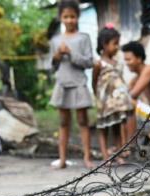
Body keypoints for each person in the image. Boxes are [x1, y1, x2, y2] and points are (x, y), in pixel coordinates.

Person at [49, 0, 94, 169]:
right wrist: (57, 57)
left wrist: (70, 53)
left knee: (83, 121)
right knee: (63, 122)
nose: (69, 20)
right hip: (62, 83)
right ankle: (62, 159)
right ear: (61, 18)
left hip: (79, 83)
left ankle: (87, 158)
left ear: (78, 17)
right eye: (66, 17)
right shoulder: (55, 40)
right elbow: (52, 66)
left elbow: (89, 62)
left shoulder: (84, 38)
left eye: (72, 16)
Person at [93, 25, 135, 161]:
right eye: (115, 43)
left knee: (117, 126)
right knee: (103, 128)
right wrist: (97, 98)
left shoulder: (117, 63)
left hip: (116, 102)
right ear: (104, 44)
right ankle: (105, 157)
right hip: (105, 102)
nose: (117, 47)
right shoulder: (99, 64)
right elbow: (94, 82)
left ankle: (117, 154)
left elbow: (120, 81)